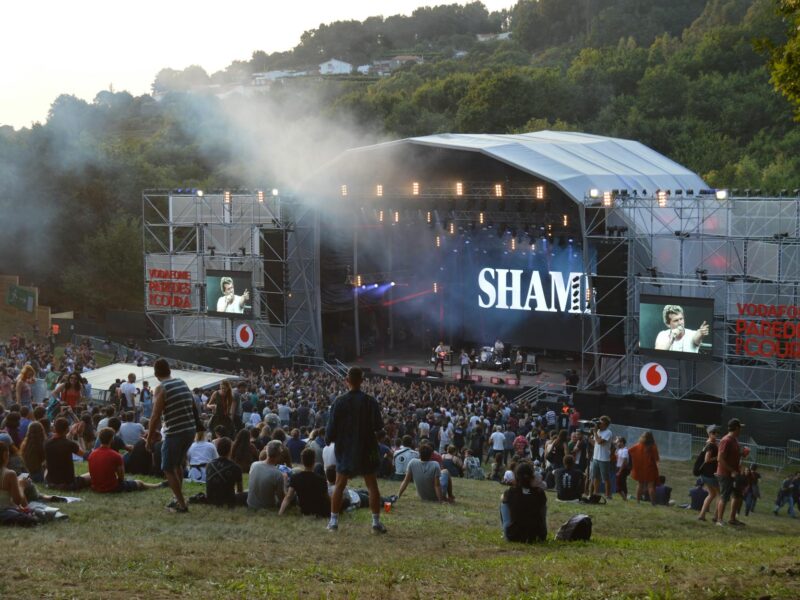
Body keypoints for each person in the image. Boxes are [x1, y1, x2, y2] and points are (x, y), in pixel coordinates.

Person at [326, 366, 386, 533]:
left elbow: (331, 427)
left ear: (347, 381)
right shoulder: (370, 401)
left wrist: (328, 439)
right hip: (367, 448)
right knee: (372, 485)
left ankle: (333, 522)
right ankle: (375, 523)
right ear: (362, 380)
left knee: (339, 485)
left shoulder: (339, 401)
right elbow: (379, 427)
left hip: (345, 448)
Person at [146, 358, 197, 513]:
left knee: (168, 467)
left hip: (175, 431)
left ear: (156, 374)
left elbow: (155, 416)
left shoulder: (161, 388)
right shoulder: (182, 382)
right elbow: (192, 405)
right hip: (190, 429)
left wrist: (149, 439)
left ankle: (181, 504)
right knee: (177, 465)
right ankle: (177, 499)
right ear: (169, 370)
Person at [88, 428, 163, 493]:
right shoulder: (115, 455)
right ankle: (158, 485)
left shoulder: (92, 454)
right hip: (112, 488)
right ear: (112, 439)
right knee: (139, 483)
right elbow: (121, 478)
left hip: (96, 487)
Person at [500, 462, 547, 543]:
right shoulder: (540, 493)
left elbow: (503, 499)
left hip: (514, 535)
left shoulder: (510, 492)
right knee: (543, 505)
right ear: (532, 477)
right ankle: (541, 530)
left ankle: (506, 530)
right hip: (535, 536)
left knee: (503, 503)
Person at [279, 447, 329, 517]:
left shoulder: (295, 478)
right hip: (319, 511)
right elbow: (326, 498)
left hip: (305, 510)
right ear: (314, 461)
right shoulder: (321, 479)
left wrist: (280, 513)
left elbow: (288, 497)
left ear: (302, 461)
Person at [714, 418, 746, 527]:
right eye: (740, 427)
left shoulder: (734, 440)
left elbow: (733, 455)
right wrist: (731, 470)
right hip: (725, 474)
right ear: (736, 428)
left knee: (737, 496)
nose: (741, 430)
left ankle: (732, 519)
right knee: (724, 496)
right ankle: (719, 520)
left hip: (734, 473)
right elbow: (720, 459)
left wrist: (742, 454)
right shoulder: (726, 440)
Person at [44, 417, 90, 490]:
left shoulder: (47, 444)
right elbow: (85, 455)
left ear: (54, 429)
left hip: (51, 482)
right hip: (68, 483)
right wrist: (80, 435)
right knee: (90, 476)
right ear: (67, 429)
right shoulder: (70, 444)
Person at [206, 437, 246, 507]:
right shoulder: (236, 467)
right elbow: (240, 490)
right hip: (228, 500)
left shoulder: (209, 464)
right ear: (230, 450)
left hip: (210, 498)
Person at [247, 440, 286, 510]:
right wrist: (285, 482)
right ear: (279, 455)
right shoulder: (278, 474)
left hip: (251, 504)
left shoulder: (254, 464)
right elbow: (282, 499)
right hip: (267, 507)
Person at [628, 431, 660, 504]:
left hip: (640, 469)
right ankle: (653, 503)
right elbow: (657, 459)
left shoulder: (639, 445)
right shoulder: (653, 446)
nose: (641, 437)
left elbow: (629, 451)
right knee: (650, 486)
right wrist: (657, 468)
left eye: (643, 436)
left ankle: (638, 501)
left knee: (640, 485)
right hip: (650, 469)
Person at [697, 425, 720, 522]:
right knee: (720, 495)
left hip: (704, 473)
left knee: (712, 494)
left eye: (716, 432)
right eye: (713, 432)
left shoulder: (709, 443)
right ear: (709, 434)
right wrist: (717, 457)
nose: (715, 434)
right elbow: (707, 459)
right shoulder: (710, 445)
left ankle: (702, 515)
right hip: (710, 474)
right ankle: (716, 517)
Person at [590, 416, 613, 499]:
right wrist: (589, 437)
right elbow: (595, 443)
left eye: (601, 423)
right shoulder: (598, 431)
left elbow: (599, 442)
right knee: (595, 477)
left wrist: (595, 433)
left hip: (604, 459)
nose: (599, 424)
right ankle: (595, 493)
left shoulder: (608, 432)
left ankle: (608, 495)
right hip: (596, 457)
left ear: (605, 424)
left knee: (605, 478)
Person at [615, 437, 630, 501]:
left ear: (622, 443)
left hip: (622, 468)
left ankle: (624, 497)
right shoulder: (620, 450)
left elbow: (625, 461)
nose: (617, 443)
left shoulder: (625, 450)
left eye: (618, 442)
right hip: (618, 467)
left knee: (618, 484)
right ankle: (625, 497)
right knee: (623, 483)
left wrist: (620, 471)